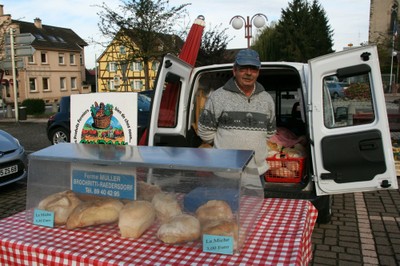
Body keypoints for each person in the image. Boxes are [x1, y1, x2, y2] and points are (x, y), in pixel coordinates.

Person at [197, 49, 276, 176]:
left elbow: (270, 131)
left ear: (258, 72)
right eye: (244, 68)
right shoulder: (218, 97)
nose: (249, 73)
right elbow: (204, 131)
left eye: (253, 69)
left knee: (254, 197)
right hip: (224, 172)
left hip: (256, 172)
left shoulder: (267, 99)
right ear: (234, 70)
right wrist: (223, 145)